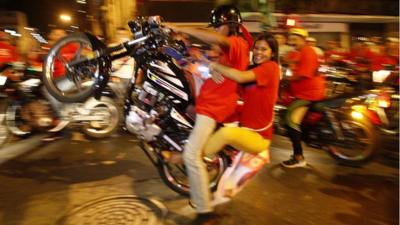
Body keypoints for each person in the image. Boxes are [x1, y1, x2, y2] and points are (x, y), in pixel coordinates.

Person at [165, 4, 251, 224]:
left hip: (214, 106)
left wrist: (177, 26)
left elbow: (216, 40)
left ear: (229, 25)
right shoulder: (225, 51)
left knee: (191, 156)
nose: (215, 33)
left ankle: (205, 213)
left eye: (218, 27)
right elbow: (205, 51)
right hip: (207, 103)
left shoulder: (237, 43)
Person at [201, 32, 280, 204]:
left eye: (264, 49)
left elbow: (239, 76)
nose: (259, 52)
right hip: (245, 128)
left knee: (226, 134)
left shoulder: (271, 68)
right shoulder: (254, 70)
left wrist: (214, 65)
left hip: (259, 138)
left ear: (272, 53)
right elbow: (234, 84)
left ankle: (196, 159)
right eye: (257, 48)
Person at [281, 28, 326, 168]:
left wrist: (287, 79)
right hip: (304, 92)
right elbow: (287, 60)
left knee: (290, 119)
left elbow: (303, 74)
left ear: (303, 39)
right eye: (291, 39)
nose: (292, 42)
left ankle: (298, 157)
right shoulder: (299, 52)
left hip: (309, 94)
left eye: (295, 39)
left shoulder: (307, 51)